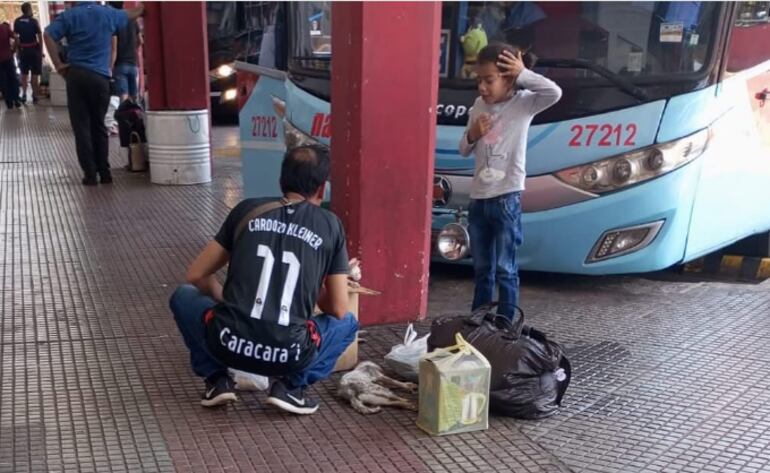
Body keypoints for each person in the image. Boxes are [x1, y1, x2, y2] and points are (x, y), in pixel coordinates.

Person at [169, 145, 358, 414]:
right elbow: (338, 308)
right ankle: (290, 388)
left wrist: (224, 298)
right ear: (321, 188)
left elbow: (196, 275)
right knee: (348, 324)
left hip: (228, 343)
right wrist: (313, 284)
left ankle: (217, 380)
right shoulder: (331, 225)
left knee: (184, 296)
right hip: (289, 354)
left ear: (281, 182)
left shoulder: (246, 210)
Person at [458, 43, 561, 321]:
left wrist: (524, 73)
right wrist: (473, 133)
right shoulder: (479, 106)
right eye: (479, 80)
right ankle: (478, 321)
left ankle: (504, 327)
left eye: (489, 80)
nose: (482, 87)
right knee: (482, 270)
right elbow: (463, 149)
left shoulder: (524, 103)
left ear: (509, 79)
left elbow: (554, 92)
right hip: (478, 200)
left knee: (505, 269)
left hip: (506, 198)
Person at [43, 2, 144, 186]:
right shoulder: (107, 14)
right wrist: (143, 7)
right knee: (99, 125)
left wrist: (58, 64)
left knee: (81, 127)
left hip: (76, 75)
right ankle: (105, 173)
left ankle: (90, 175)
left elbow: (48, 34)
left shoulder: (70, 15)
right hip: (100, 78)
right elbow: (134, 13)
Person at [108, 1, 142, 102]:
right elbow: (140, 40)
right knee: (133, 96)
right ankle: (133, 116)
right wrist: (131, 48)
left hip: (120, 64)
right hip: (133, 64)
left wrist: (110, 68)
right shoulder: (132, 19)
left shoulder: (114, 21)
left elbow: (114, 49)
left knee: (123, 96)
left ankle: (125, 117)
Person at [13, 3, 43, 104]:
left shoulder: (17, 21)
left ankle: (24, 94)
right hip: (34, 51)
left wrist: (17, 51)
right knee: (34, 74)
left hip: (23, 51)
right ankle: (34, 95)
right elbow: (40, 36)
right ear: (29, 10)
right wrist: (41, 50)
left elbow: (16, 38)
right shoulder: (34, 21)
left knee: (23, 73)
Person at [0, 20, 21, 110]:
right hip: (8, 57)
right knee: (12, 78)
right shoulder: (5, 27)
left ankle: (9, 103)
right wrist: (13, 49)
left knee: (2, 81)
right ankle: (16, 99)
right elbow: (16, 38)